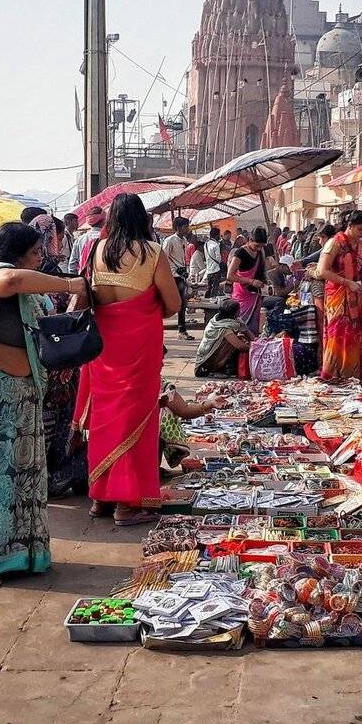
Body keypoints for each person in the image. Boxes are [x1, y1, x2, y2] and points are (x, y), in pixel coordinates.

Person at [0, 223, 87, 587]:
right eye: (37, 252)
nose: (41, 258)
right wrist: (70, 284)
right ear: (18, 253)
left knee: (24, 481)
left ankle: (24, 554)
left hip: (24, 397)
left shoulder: (29, 286)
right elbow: (9, 282)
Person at [71, 194, 180, 527]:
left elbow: (87, 295)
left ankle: (100, 499)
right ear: (143, 220)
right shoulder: (152, 253)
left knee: (106, 419)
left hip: (103, 350)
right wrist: (144, 307)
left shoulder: (94, 250)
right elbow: (173, 303)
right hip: (139, 350)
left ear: (112, 219)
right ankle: (126, 505)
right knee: (136, 421)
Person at [313, 211, 362, 380]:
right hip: (338, 297)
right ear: (350, 226)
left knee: (356, 337)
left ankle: (353, 376)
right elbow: (321, 271)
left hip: (357, 296)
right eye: (359, 229)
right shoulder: (335, 243)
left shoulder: (361, 245)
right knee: (339, 336)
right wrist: (347, 283)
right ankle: (334, 375)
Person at [193, 297, 253, 377]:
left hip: (211, 354)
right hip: (207, 362)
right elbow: (240, 346)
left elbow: (248, 333)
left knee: (241, 337)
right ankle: (217, 368)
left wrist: (247, 333)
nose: (240, 312)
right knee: (235, 343)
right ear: (235, 312)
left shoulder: (223, 320)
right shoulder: (224, 327)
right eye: (239, 310)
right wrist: (254, 349)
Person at [227, 227, 268, 336]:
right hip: (242, 295)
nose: (259, 249)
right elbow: (230, 276)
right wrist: (251, 281)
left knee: (253, 327)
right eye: (257, 246)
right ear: (249, 240)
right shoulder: (240, 252)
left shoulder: (260, 252)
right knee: (241, 327)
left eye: (262, 246)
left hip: (255, 295)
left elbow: (262, 271)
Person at [162, 216, 195, 340]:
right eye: (185, 227)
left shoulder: (184, 240)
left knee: (182, 302)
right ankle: (181, 330)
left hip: (181, 274)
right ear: (178, 228)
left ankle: (182, 329)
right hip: (173, 275)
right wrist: (174, 269)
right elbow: (164, 258)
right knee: (178, 302)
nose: (187, 229)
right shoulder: (169, 241)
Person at [72, 206, 105, 272]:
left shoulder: (79, 239)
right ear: (103, 221)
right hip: (101, 278)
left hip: (82, 278)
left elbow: (73, 264)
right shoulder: (106, 238)